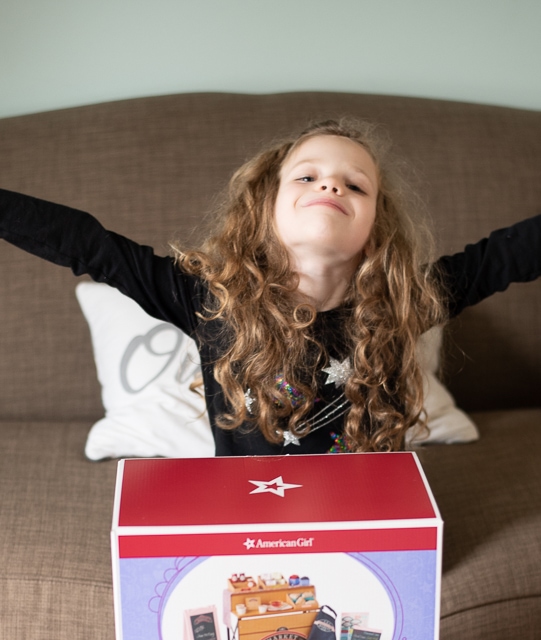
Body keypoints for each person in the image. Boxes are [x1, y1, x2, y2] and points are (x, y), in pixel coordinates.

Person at [1, 118, 540, 456]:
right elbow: (89, 245)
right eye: (307, 176)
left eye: (355, 185)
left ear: (375, 228)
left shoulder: (404, 302)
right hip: (250, 515)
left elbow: (507, 255)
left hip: (366, 518)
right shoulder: (210, 300)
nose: (331, 183)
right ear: (267, 207)